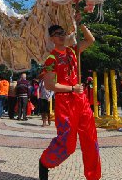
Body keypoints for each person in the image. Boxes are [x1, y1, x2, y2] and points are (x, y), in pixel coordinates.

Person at [39, 13, 101, 180]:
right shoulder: (51, 59)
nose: (61, 35)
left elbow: (90, 40)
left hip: (81, 99)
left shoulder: (73, 51)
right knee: (68, 144)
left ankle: (93, 177)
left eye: (63, 32)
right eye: (57, 34)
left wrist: (80, 24)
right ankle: (45, 162)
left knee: (90, 139)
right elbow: (49, 85)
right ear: (52, 38)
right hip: (65, 101)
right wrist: (72, 88)